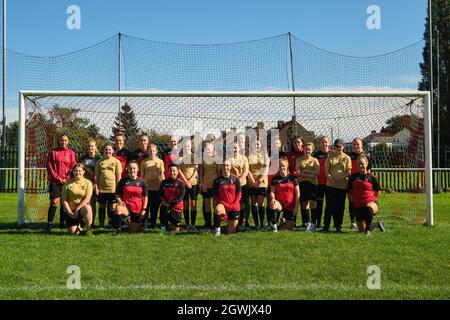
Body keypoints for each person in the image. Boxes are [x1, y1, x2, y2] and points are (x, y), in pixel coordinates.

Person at [46, 133, 77, 231]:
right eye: (62, 140)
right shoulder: (53, 152)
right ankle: (49, 223)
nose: (63, 142)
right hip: (55, 181)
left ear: (68, 141)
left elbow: (73, 166)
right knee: (54, 202)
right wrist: (57, 178)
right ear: (59, 141)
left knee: (65, 203)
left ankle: (62, 223)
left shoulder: (71, 153)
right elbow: (49, 166)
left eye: (65, 140)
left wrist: (67, 178)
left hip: (67, 182)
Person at [348, 156, 385, 235]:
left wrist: (372, 199)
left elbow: (378, 191)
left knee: (368, 209)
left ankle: (368, 230)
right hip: (358, 205)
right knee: (361, 230)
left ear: (367, 164)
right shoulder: (353, 177)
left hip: (371, 204)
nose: (360, 166)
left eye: (362, 164)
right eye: (358, 164)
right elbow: (350, 192)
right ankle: (377, 224)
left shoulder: (372, 177)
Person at [322, 139, 352, 233]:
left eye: (340, 146)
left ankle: (338, 226)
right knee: (329, 206)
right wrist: (333, 180)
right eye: (337, 146)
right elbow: (326, 171)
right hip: (330, 185)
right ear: (334, 147)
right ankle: (326, 226)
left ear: (343, 147)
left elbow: (348, 171)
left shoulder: (347, 158)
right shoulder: (330, 157)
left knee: (340, 207)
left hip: (342, 186)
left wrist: (340, 179)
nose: (339, 148)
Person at [114, 161, 148, 235]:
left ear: (137, 169)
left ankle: (128, 222)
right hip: (126, 207)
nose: (132, 170)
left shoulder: (142, 182)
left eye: (134, 168)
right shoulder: (123, 181)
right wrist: (120, 201)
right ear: (127, 169)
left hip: (138, 209)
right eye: (130, 168)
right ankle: (118, 231)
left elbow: (145, 197)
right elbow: (117, 194)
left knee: (134, 232)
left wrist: (144, 210)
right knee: (118, 208)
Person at [61, 163, 94, 236]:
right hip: (71, 211)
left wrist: (77, 209)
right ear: (73, 172)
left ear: (83, 172)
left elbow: (87, 198)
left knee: (88, 208)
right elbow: (64, 200)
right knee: (74, 233)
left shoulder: (88, 183)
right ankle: (80, 224)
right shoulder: (67, 184)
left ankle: (89, 230)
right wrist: (70, 213)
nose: (77, 173)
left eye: (79, 171)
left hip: (81, 209)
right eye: (75, 171)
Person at [94, 144, 122, 228]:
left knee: (112, 207)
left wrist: (118, 188)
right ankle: (101, 224)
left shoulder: (116, 162)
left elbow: (118, 176)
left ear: (112, 151)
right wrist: (96, 186)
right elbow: (96, 175)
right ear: (103, 151)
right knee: (102, 206)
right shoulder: (100, 162)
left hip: (112, 189)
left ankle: (112, 223)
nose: (108, 151)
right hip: (102, 189)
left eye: (109, 150)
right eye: (106, 150)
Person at [267, 159, 300, 231]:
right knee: (273, 204)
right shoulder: (274, 179)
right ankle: (274, 225)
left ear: (287, 167)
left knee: (289, 228)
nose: (282, 168)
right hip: (280, 203)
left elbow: (298, 194)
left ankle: (283, 222)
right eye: (280, 166)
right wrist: (273, 199)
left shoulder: (293, 178)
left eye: (283, 166)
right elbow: (272, 191)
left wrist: (296, 208)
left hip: (290, 205)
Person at [347, 138, 372, 230]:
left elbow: (369, 171)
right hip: (352, 182)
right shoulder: (350, 156)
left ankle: (365, 220)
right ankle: (353, 222)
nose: (356, 146)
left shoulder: (366, 156)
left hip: (363, 183)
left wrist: (368, 182)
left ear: (361, 145)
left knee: (363, 201)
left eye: (357, 144)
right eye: (354, 145)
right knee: (351, 201)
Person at [212, 159, 242, 236]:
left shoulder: (236, 179)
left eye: (227, 165)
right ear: (222, 167)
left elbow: (239, 194)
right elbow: (215, 196)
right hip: (223, 206)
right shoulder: (217, 181)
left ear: (231, 167)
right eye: (224, 165)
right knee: (218, 209)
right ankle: (217, 231)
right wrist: (224, 204)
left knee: (230, 233)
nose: (226, 167)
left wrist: (235, 204)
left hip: (234, 207)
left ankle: (229, 226)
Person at [296, 142, 320, 231]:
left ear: (312, 150)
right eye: (306, 149)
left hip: (312, 185)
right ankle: (305, 223)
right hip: (302, 184)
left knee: (313, 204)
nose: (308, 151)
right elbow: (298, 174)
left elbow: (316, 174)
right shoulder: (299, 160)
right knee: (304, 204)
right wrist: (310, 173)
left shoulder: (315, 160)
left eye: (309, 149)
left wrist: (304, 172)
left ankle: (313, 223)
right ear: (303, 149)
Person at [140, 144, 165, 229]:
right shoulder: (144, 162)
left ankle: (153, 224)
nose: (152, 152)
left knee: (155, 207)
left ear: (156, 151)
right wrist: (141, 186)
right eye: (150, 151)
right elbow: (142, 175)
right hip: (147, 188)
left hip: (157, 188)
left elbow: (162, 174)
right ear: (148, 151)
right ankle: (145, 223)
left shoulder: (160, 161)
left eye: (153, 151)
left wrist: (164, 185)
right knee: (146, 206)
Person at [177, 138, 200, 231]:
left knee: (193, 204)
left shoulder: (195, 157)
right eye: (185, 146)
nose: (187, 148)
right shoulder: (180, 158)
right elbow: (179, 170)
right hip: (184, 184)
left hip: (193, 183)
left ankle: (193, 224)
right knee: (185, 204)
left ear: (191, 147)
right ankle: (187, 224)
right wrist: (185, 181)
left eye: (188, 146)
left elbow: (196, 170)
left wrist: (190, 181)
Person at [79, 139, 102, 227]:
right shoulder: (83, 157)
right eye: (88, 146)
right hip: (83, 184)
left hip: (93, 183)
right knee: (83, 202)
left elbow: (98, 172)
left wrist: (85, 167)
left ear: (95, 147)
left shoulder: (99, 158)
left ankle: (91, 223)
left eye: (92, 146)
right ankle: (82, 221)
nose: (90, 148)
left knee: (92, 203)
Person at [247, 139, 270, 229]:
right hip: (251, 182)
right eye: (254, 144)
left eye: (258, 144)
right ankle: (256, 224)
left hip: (262, 182)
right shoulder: (248, 156)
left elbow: (266, 169)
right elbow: (247, 170)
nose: (256, 146)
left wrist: (259, 181)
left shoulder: (264, 156)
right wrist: (253, 182)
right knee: (254, 202)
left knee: (260, 202)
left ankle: (262, 223)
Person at [159, 164, 185, 233]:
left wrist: (171, 204)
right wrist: (164, 202)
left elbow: (181, 197)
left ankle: (174, 224)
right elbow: (160, 195)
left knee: (175, 230)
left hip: (176, 206)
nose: (172, 172)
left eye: (174, 171)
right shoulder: (164, 182)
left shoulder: (181, 183)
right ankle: (163, 229)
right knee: (163, 211)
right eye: (170, 171)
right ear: (168, 172)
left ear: (177, 172)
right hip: (166, 205)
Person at [200, 141, 220, 229]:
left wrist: (219, 185)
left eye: (209, 149)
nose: (207, 151)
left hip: (215, 186)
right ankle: (208, 224)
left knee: (215, 205)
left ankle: (216, 224)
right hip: (206, 185)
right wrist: (202, 184)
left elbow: (219, 174)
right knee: (207, 205)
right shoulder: (203, 160)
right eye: (205, 149)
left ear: (213, 150)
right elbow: (201, 174)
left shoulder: (217, 159)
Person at [230, 142, 250, 229]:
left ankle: (242, 222)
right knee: (234, 203)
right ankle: (232, 222)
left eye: (236, 148)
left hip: (242, 184)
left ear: (239, 149)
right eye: (233, 148)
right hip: (232, 185)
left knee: (242, 204)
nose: (235, 149)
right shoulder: (228, 159)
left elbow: (246, 171)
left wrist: (238, 180)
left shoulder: (244, 158)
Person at [312, 136, 330, 229]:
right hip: (319, 183)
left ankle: (327, 223)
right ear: (320, 144)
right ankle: (317, 222)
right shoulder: (316, 155)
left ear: (329, 143)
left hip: (330, 183)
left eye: (326, 142)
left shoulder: (332, 154)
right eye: (322, 142)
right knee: (318, 204)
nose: (324, 144)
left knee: (329, 204)